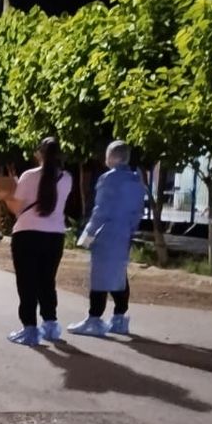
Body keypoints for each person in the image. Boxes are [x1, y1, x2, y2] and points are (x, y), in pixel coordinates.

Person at [68, 140, 146, 336]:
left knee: (100, 277)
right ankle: (119, 318)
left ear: (113, 157)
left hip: (106, 233)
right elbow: (138, 212)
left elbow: (100, 210)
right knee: (119, 275)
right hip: (124, 233)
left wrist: (88, 234)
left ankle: (94, 319)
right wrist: (130, 230)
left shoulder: (108, 179)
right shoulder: (136, 180)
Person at [3, 137, 72, 346]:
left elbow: (17, 209)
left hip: (27, 234)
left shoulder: (28, 176)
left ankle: (30, 328)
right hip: (55, 235)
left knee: (27, 282)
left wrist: (6, 195)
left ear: (39, 154)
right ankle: (50, 324)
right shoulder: (66, 178)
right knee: (47, 281)